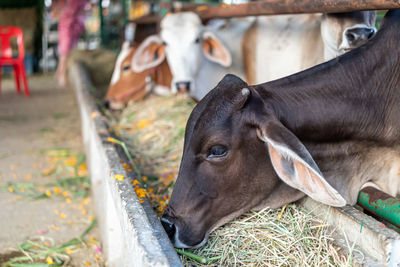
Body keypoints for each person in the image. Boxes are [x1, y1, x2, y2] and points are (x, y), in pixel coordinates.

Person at [55, 0, 87, 86]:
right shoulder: (73, 3)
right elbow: (72, 10)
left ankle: (60, 74)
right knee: (65, 52)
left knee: (66, 52)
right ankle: (62, 75)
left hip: (71, 26)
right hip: (68, 25)